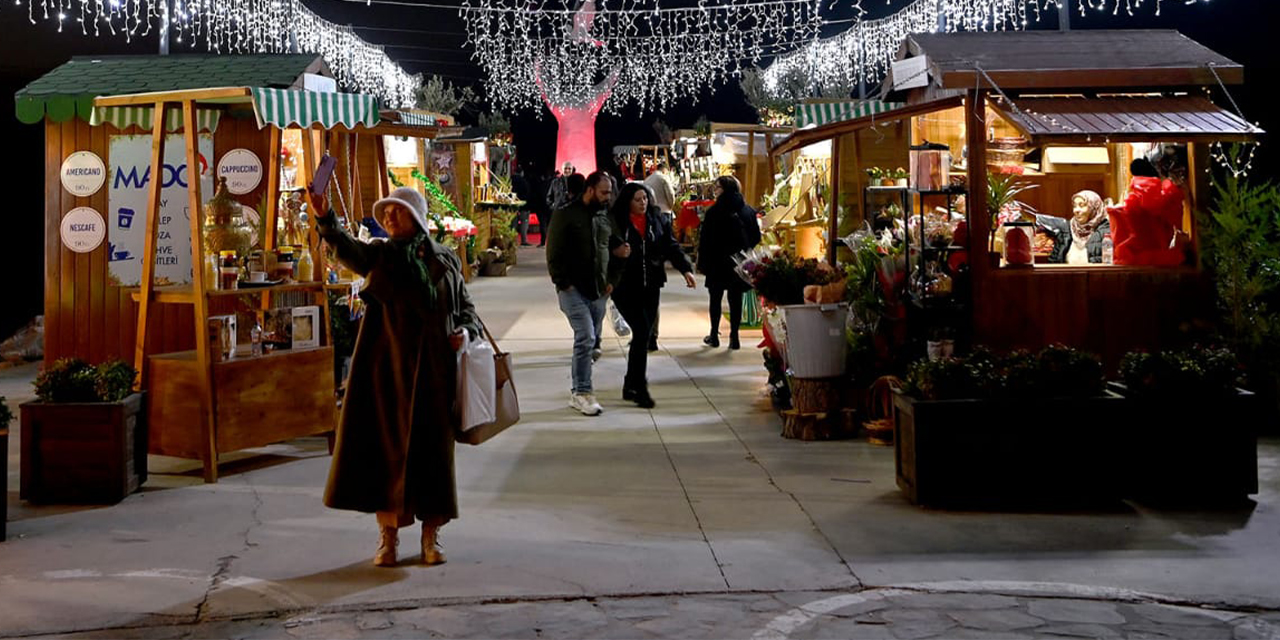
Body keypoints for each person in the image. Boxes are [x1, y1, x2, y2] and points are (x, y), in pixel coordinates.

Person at [309, 185, 481, 569]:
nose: (388, 218)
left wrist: (465, 334)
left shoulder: (447, 260)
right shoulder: (379, 256)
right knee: (386, 455)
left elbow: (467, 309)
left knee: (434, 456)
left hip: (436, 373)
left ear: (416, 217)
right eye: (385, 212)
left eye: (397, 211)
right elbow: (344, 246)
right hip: (385, 372)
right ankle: (388, 538)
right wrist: (325, 218)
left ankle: (430, 536)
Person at [608, 183, 696, 408]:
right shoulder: (615, 222)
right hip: (625, 287)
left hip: (651, 285)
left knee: (643, 335)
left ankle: (630, 384)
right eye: (638, 199)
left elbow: (671, 246)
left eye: (645, 198)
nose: (643, 203)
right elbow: (602, 249)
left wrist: (685, 268)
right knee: (640, 331)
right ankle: (640, 388)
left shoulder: (658, 220)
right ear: (628, 201)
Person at [547, 171, 620, 416]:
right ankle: (582, 392)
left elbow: (616, 246)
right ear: (590, 190)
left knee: (591, 339)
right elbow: (553, 251)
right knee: (586, 337)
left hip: (598, 290)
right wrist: (562, 282)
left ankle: (580, 390)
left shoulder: (605, 215)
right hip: (572, 290)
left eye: (609, 192)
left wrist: (612, 281)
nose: (608, 197)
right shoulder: (565, 214)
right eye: (604, 192)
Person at [697, 176, 761, 349]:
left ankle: (714, 334)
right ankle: (734, 337)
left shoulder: (713, 212)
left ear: (724, 189)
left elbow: (705, 240)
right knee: (735, 298)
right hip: (738, 263)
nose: (715, 190)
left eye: (717, 187)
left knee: (715, 298)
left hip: (716, 262)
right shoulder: (747, 211)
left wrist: (702, 262)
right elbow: (756, 236)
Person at [1106, 158, 1188, 267]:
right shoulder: (1166, 195)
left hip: (1132, 254)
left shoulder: (1132, 199)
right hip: (1157, 254)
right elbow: (1177, 222)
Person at [1036, 190, 1111, 265]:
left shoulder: (1106, 232)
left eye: (1082, 205)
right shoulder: (1066, 231)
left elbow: (1109, 264)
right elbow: (1053, 262)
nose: (1076, 210)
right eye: (1075, 206)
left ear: (1094, 208)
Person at [511, 166, 533, 246]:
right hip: (524, 206)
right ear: (521, 172)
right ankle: (523, 240)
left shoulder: (510, 180)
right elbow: (528, 193)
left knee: (514, 223)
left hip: (513, 205)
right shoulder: (524, 181)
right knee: (524, 222)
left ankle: (513, 240)